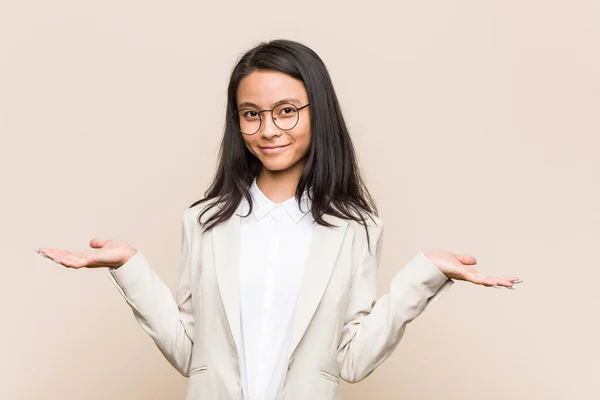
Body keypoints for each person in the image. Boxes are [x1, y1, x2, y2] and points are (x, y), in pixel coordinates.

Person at [37, 39, 521, 400]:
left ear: (318, 112)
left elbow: (349, 362)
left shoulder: (356, 228)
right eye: (251, 114)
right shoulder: (203, 222)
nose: (268, 130)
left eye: (286, 111)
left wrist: (425, 275)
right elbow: (193, 356)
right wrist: (129, 267)